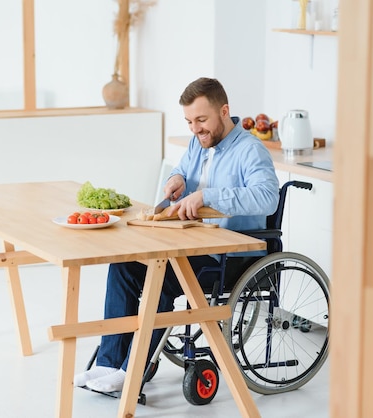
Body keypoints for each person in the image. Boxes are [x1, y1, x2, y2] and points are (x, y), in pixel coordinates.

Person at [74, 77, 280, 393]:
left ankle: (132, 370)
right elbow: (183, 170)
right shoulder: (200, 143)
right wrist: (176, 179)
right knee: (124, 267)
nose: (195, 129)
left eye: (201, 120)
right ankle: (108, 361)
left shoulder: (251, 150)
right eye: (189, 121)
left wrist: (207, 197)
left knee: (160, 277)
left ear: (224, 111)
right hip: (192, 245)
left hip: (230, 256)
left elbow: (267, 197)